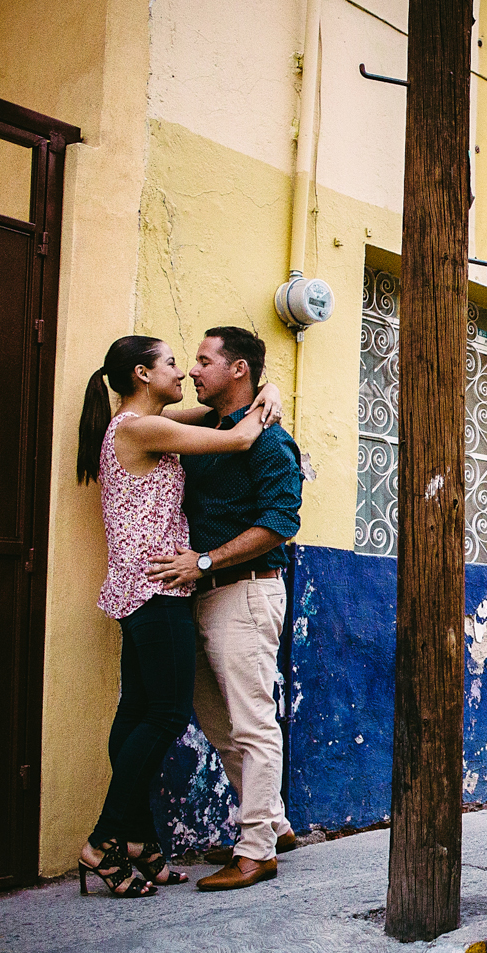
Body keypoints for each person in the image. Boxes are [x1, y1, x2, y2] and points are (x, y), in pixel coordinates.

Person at [75, 335, 277, 897]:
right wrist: (263, 404)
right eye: (170, 363)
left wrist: (270, 389)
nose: (183, 372)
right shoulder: (142, 429)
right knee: (165, 715)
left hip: (135, 587)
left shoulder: (141, 424)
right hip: (157, 586)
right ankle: (105, 839)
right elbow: (237, 436)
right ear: (142, 374)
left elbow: (220, 411)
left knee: (139, 710)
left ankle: (139, 840)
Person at [148, 326, 303, 892]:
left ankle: (256, 849)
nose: (193, 370)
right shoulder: (216, 428)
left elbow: (281, 523)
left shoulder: (270, 442)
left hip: (244, 590)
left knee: (253, 722)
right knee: (217, 723)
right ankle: (274, 823)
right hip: (204, 593)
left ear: (238, 369)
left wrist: (206, 561)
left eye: (204, 360)